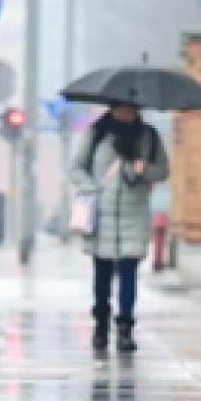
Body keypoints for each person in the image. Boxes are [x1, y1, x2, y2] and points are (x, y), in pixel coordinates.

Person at [71, 102, 170, 354]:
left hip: (133, 214)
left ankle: (125, 328)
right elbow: (76, 168)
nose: (126, 114)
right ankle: (101, 324)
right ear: (112, 109)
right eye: (121, 109)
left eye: (131, 109)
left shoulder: (148, 136)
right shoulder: (96, 133)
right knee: (101, 277)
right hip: (101, 215)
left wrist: (144, 168)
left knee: (129, 275)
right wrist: (90, 188)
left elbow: (164, 170)